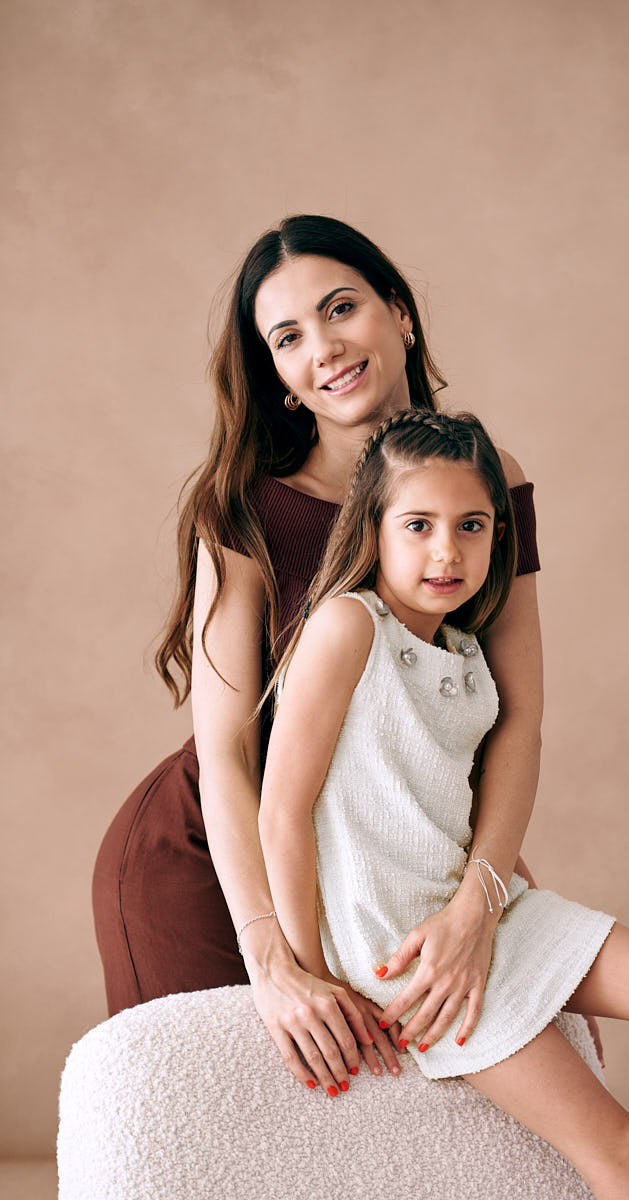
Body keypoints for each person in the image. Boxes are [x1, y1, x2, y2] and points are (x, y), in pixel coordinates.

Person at [93, 213, 589, 1090]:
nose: (323, 348)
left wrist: (482, 896)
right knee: (212, 1127)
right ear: (277, 373)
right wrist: (271, 956)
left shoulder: (492, 484)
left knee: (524, 1069)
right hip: (218, 856)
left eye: (340, 309)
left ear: (399, 314)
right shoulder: (244, 509)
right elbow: (228, 751)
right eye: (288, 337)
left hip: (385, 842)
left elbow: (516, 722)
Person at [259, 408, 629, 1200]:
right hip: (404, 948)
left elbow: (464, 805)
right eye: (417, 524)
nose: (446, 551)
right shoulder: (348, 627)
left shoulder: (463, 654)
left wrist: (497, 908)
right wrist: (319, 976)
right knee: (624, 1151)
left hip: (483, 909)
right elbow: (281, 810)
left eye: (471, 526)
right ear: (373, 529)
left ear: (496, 537)